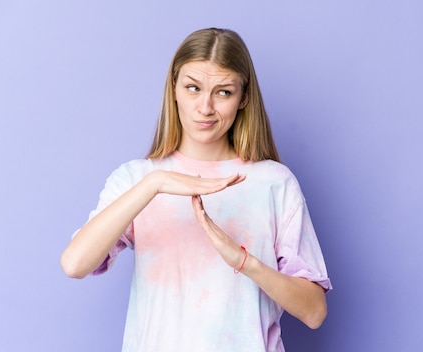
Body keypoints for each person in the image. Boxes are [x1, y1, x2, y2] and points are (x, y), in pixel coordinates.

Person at [60, 28, 331, 352]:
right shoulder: (137, 178)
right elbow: (75, 264)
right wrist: (156, 183)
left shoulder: (273, 182)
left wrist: (245, 262)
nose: (205, 107)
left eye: (224, 92)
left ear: (243, 97)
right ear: (174, 89)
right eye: (193, 88)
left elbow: (314, 312)